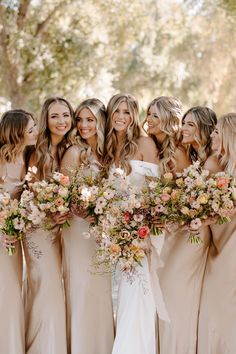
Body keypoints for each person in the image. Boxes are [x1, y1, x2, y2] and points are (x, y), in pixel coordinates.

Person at [148, 103, 216, 354]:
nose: (184, 128)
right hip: (180, 230)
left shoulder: (207, 158)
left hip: (193, 236)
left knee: (174, 292)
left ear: (205, 129)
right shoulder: (192, 154)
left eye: (191, 124)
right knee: (169, 291)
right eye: (184, 122)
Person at [104, 93, 169, 354]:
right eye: (117, 111)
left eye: (128, 112)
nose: (122, 117)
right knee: (122, 298)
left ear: (134, 116)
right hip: (116, 235)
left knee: (136, 298)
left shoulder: (144, 143)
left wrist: (146, 234)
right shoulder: (108, 148)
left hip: (141, 235)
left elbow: (156, 192)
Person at [61, 98, 114, 354]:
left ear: (100, 122)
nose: (82, 125)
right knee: (81, 285)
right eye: (79, 119)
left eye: (89, 120)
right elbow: (63, 193)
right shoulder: (74, 152)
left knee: (101, 288)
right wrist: (83, 207)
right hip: (77, 230)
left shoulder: (110, 153)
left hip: (101, 231)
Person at [24, 97, 74, 354]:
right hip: (38, 229)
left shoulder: (70, 149)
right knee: (46, 287)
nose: (61, 121)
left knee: (58, 288)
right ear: (46, 119)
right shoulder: (36, 151)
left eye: (65, 114)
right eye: (55, 116)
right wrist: (51, 211)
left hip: (62, 229)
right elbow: (30, 193)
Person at [198, 113, 236, 354]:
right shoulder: (213, 163)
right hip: (219, 244)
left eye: (216, 131)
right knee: (217, 301)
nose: (211, 135)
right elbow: (198, 206)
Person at [0, 109, 38, 354]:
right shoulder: (1, 158)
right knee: (6, 290)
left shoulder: (29, 157)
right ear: (17, 132)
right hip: (3, 233)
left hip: (15, 231)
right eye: (31, 128)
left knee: (13, 290)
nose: (36, 132)